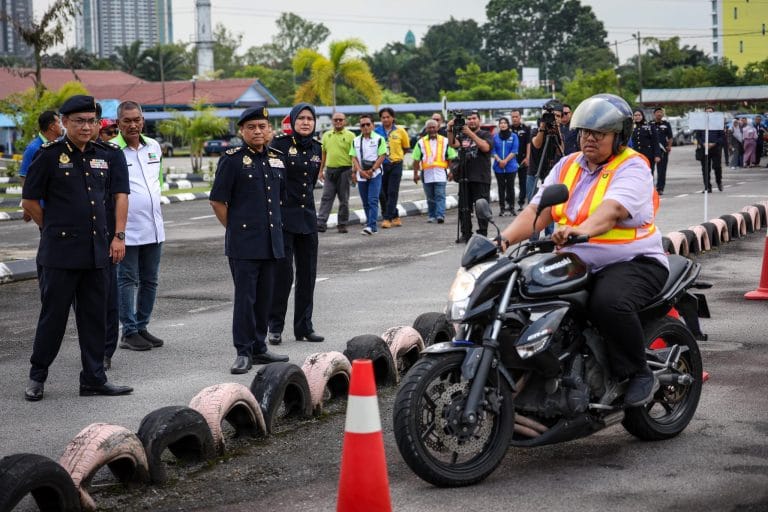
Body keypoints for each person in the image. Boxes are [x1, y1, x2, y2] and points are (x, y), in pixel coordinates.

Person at [499, 93, 669, 408]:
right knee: (523, 293)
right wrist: (502, 240)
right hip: (575, 261)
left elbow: (613, 209)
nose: (589, 138)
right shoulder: (566, 165)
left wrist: (581, 230)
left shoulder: (633, 166)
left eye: (599, 133)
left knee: (608, 303)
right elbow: (537, 211)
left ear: (619, 136)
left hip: (633, 261)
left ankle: (638, 372)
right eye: (585, 132)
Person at [20, 94, 133, 401]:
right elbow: (29, 200)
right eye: (79, 121)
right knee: (53, 317)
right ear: (64, 122)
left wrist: (118, 236)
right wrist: (51, 227)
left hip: (98, 251)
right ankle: (37, 376)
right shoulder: (49, 154)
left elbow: (121, 196)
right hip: (60, 253)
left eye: (91, 121)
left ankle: (94, 379)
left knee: (95, 318)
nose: (86, 127)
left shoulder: (108, 154)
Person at [209, 105, 290, 374]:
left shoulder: (277, 159)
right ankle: (243, 351)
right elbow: (217, 200)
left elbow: (280, 199)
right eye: (251, 127)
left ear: (270, 130)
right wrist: (235, 229)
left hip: (271, 241)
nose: (257, 131)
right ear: (241, 131)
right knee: (246, 300)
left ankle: (259, 346)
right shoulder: (232, 160)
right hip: (244, 244)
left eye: (262, 127)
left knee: (265, 298)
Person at [268, 103, 325, 345]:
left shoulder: (317, 148)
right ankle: (275, 327)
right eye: (301, 118)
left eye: (309, 119)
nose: (305, 122)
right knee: (283, 276)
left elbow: (310, 183)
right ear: (292, 121)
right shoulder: (279, 146)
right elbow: (273, 182)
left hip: (308, 219)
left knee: (308, 275)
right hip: (284, 219)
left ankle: (304, 327)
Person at [112, 101, 166, 352]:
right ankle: (129, 331)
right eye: (127, 121)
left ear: (143, 120)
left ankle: (142, 326)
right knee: (127, 279)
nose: (133, 125)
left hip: (154, 227)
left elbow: (157, 183)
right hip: (127, 229)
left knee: (150, 280)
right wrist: (116, 233)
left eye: (137, 120)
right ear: (118, 123)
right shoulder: (112, 150)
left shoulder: (153, 146)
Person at [447, 110, 493, 241]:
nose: (471, 121)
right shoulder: (462, 135)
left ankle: (482, 233)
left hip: (480, 177)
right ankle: (466, 233)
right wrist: (449, 129)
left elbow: (485, 147)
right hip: (464, 177)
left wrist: (470, 134)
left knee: (481, 206)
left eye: (474, 118)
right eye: (469, 119)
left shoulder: (486, 134)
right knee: (464, 208)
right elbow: (453, 144)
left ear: (479, 120)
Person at [412, 119, 457, 223]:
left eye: (434, 127)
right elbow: (416, 160)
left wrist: (451, 172)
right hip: (426, 174)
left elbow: (451, 158)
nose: (432, 129)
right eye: (429, 127)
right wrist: (415, 174)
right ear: (426, 129)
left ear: (438, 128)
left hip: (440, 173)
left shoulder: (445, 141)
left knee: (440, 195)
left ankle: (440, 215)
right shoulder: (420, 142)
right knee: (430, 197)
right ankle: (432, 216)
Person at [317, 112, 355, 233]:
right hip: (330, 171)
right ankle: (321, 223)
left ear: (345, 121)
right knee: (326, 197)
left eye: (340, 120)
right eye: (335, 120)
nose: (338, 122)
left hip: (345, 171)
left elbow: (354, 155)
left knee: (344, 199)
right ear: (332, 121)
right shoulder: (326, 135)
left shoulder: (351, 136)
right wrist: (320, 171)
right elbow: (323, 154)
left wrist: (354, 171)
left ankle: (342, 224)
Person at [350, 114, 387, 236]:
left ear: (373, 125)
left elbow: (382, 155)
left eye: (368, 124)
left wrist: (372, 169)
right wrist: (358, 171)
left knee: (373, 200)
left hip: (375, 174)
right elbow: (353, 157)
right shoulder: (355, 140)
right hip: (361, 174)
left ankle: (371, 226)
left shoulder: (379, 139)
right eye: (362, 125)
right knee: (365, 201)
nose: (365, 127)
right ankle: (371, 225)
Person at [375, 107, 410, 228]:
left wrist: (397, 157)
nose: (385, 119)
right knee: (382, 193)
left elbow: (406, 148)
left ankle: (387, 218)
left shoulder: (400, 131)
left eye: (388, 117)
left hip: (396, 164)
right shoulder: (376, 131)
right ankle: (395, 215)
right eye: (383, 117)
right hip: (381, 165)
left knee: (392, 192)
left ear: (393, 118)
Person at [19, 111, 63, 187]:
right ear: (52, 127)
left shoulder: (60, 145)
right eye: (59, 123)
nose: (62, 126)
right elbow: (24, 177)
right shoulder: (33, 148)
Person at [491, 117, 519, 216]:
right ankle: (502, 208)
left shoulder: (514, 136)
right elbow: (493, 151)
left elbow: (514, 150)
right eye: (501, 123)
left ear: (508, 124)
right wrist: (499, 160)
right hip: (498, 167)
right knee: (501, 187)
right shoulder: (495, 137)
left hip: (511, 166)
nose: (503, 125)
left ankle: (512, 207)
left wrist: (505, 161)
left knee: (510, 187)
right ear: (499, 125)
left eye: (505, 123)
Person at [694, 107, 725, 192]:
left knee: (717, 167)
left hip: (715, 148)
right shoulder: (701, 124)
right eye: (707, 112)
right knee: (705, 168)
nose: (709, 114)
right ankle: (707, 186)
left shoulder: (718, 124)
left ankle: (719, 181)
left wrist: (714, 143)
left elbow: (722, 137)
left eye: (710, 112)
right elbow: (698, 136)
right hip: (704, 148)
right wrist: (703, 143)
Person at [509, 110, 531, 211]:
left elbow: (528, 144)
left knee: (523, 182)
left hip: (522, 159)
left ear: (520, 117)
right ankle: (510, 203)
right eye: (513, 117)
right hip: (511, 160)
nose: (514, 119)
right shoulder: (508, 129)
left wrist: (527, 157)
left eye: (516, 116)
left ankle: (521, 203)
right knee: (510, 182)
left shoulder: (526, 129)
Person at [650, 107, 673, 195]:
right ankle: (650, 188)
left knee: (662, 170)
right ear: (654, 114)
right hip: (652, 150)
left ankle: (660, 188)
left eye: (661, 112)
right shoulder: (650, 124)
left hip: (663, 150)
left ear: (663, 114)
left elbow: (670, 137)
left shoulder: (666, 124)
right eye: (657, 112)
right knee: (650, 170)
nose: (659, 114)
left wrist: (669, 146)